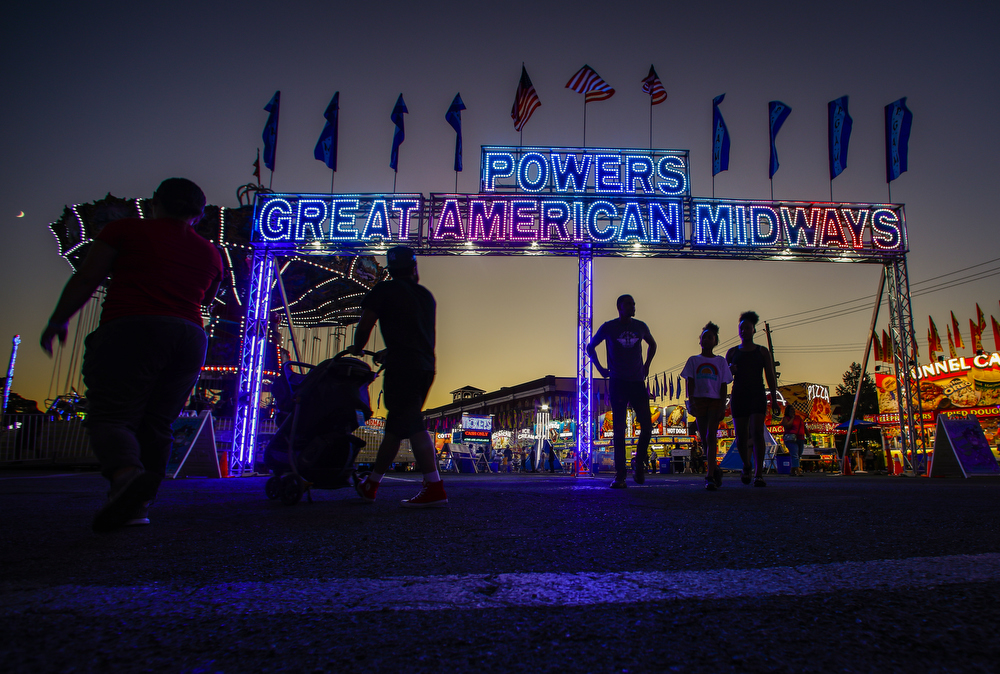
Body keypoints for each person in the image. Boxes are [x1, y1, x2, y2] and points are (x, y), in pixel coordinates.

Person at [40, 178, 223, 532]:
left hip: (132, 324)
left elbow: (87, 278)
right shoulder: (211, 252)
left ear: (156, 203)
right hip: (188, 334)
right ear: (198, 215)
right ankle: (138, 505)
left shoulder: (124, 229)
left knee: (110, 415)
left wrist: (58, 319)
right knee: (157, 422)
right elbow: (206, 299)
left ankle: (126, 475)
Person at [350, 245, 447, 507]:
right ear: (414, 268)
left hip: (402, 366)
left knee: (413, 423)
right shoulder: (425, 296)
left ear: (390, 270)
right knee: (394, 428)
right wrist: (388, 350)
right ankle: (372, 483)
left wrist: (358, 348)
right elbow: (415, 334)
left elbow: (366, 322)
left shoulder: (384, 290)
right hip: (425, 365)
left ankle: (435, 486)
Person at [587, 294, 657, 488]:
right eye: (629, 304)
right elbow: (590, 347)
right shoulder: (609, 327)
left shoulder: (640, 326)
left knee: (647, 425)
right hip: (618, 382)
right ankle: (620, 475)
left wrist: (647, 365)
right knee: (619, 429)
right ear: (619, 307)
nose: (633, 307)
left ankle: (639, 462)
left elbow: (653, 344)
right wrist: (600, 369)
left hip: (636, 382)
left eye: (634, 304)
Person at [726, 311, 780, 487]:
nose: (744, 331)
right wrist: (730, 371)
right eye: (741, 328)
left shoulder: (762, 352)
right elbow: (724, 377)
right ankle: (747, 465)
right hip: (739, 395)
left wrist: (774, 397)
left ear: (753, 330)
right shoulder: (732, 352)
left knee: (757, 433)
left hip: (757, 394)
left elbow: (770, 375)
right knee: (741, 436)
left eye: (747, 328)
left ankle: (758, 474)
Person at [681, 322, 733, 491]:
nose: (706, 340)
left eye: (710, 337)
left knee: (711, 437)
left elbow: (724, 383)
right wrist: (692, 402)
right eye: (704, 337)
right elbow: (690, 382)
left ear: (715, 341)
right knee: (704, 438)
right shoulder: (693, 360)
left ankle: (709, 476)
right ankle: (715, 469)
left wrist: (722, 405)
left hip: (715, 400)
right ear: (700, 341)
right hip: (699, 401)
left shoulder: (720, 361)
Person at [781, 405, 807, 476]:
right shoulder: (786, 418)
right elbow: (787, 425)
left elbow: (804, 426)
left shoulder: (799, 418)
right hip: (791, 438)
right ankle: (798, 471)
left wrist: (808, 434)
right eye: (791, 410)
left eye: (793, 410)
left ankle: (792, 470)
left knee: (798, 454)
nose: (793, 411)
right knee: (795, 454)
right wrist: (792, 418)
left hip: (800, 438)